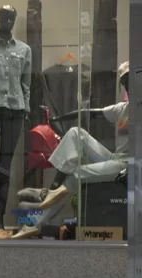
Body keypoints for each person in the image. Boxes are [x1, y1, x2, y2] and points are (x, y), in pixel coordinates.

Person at [13, 61, 130, 239]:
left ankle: (38, 220)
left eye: (130, 80)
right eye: (124, 81)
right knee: (76, 133)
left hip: (129, 164)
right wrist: (58, 118)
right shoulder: (123, 109)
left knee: (77, 174)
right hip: (116, 158)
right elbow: (88, 112)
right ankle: (52, 189)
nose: (128, 85)